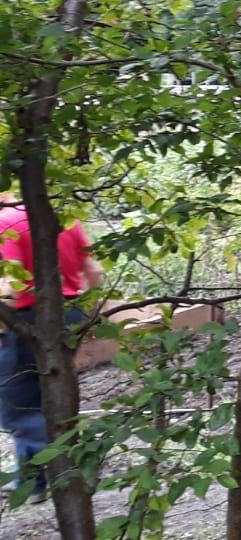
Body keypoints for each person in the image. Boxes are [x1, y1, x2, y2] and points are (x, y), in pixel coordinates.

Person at [0, 196, 101, 504]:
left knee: (14, 410)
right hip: (69, 312)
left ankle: (83, 458)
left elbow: (12, 288)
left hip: (28, 321)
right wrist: (86, 314)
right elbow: (94, 273)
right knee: (43, 397)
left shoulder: (6, 225)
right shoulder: (63, 214)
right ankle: (32, 481)